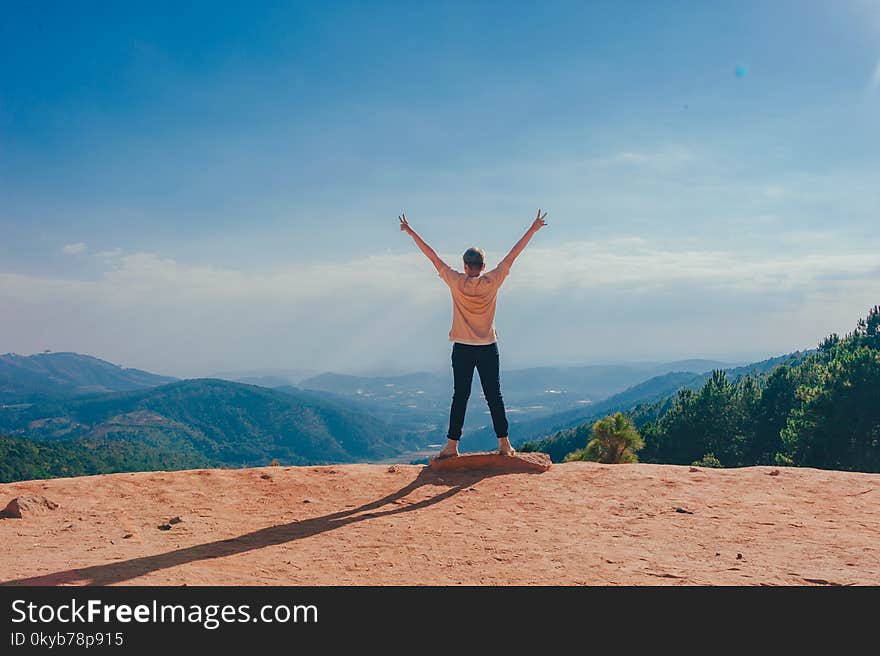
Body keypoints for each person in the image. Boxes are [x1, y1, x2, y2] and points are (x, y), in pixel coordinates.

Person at [399, 209, 548, 459]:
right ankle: (504, 444)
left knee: (460, 396)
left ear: (465, 266)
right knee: (494, 396)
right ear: (483, 266)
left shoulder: (456, 281)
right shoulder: (493, 280)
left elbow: (432, 257)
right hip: (489, 346)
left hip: (463, 347)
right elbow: (513, 254)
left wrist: (412, 232)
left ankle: (452, 446)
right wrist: (533, 229)